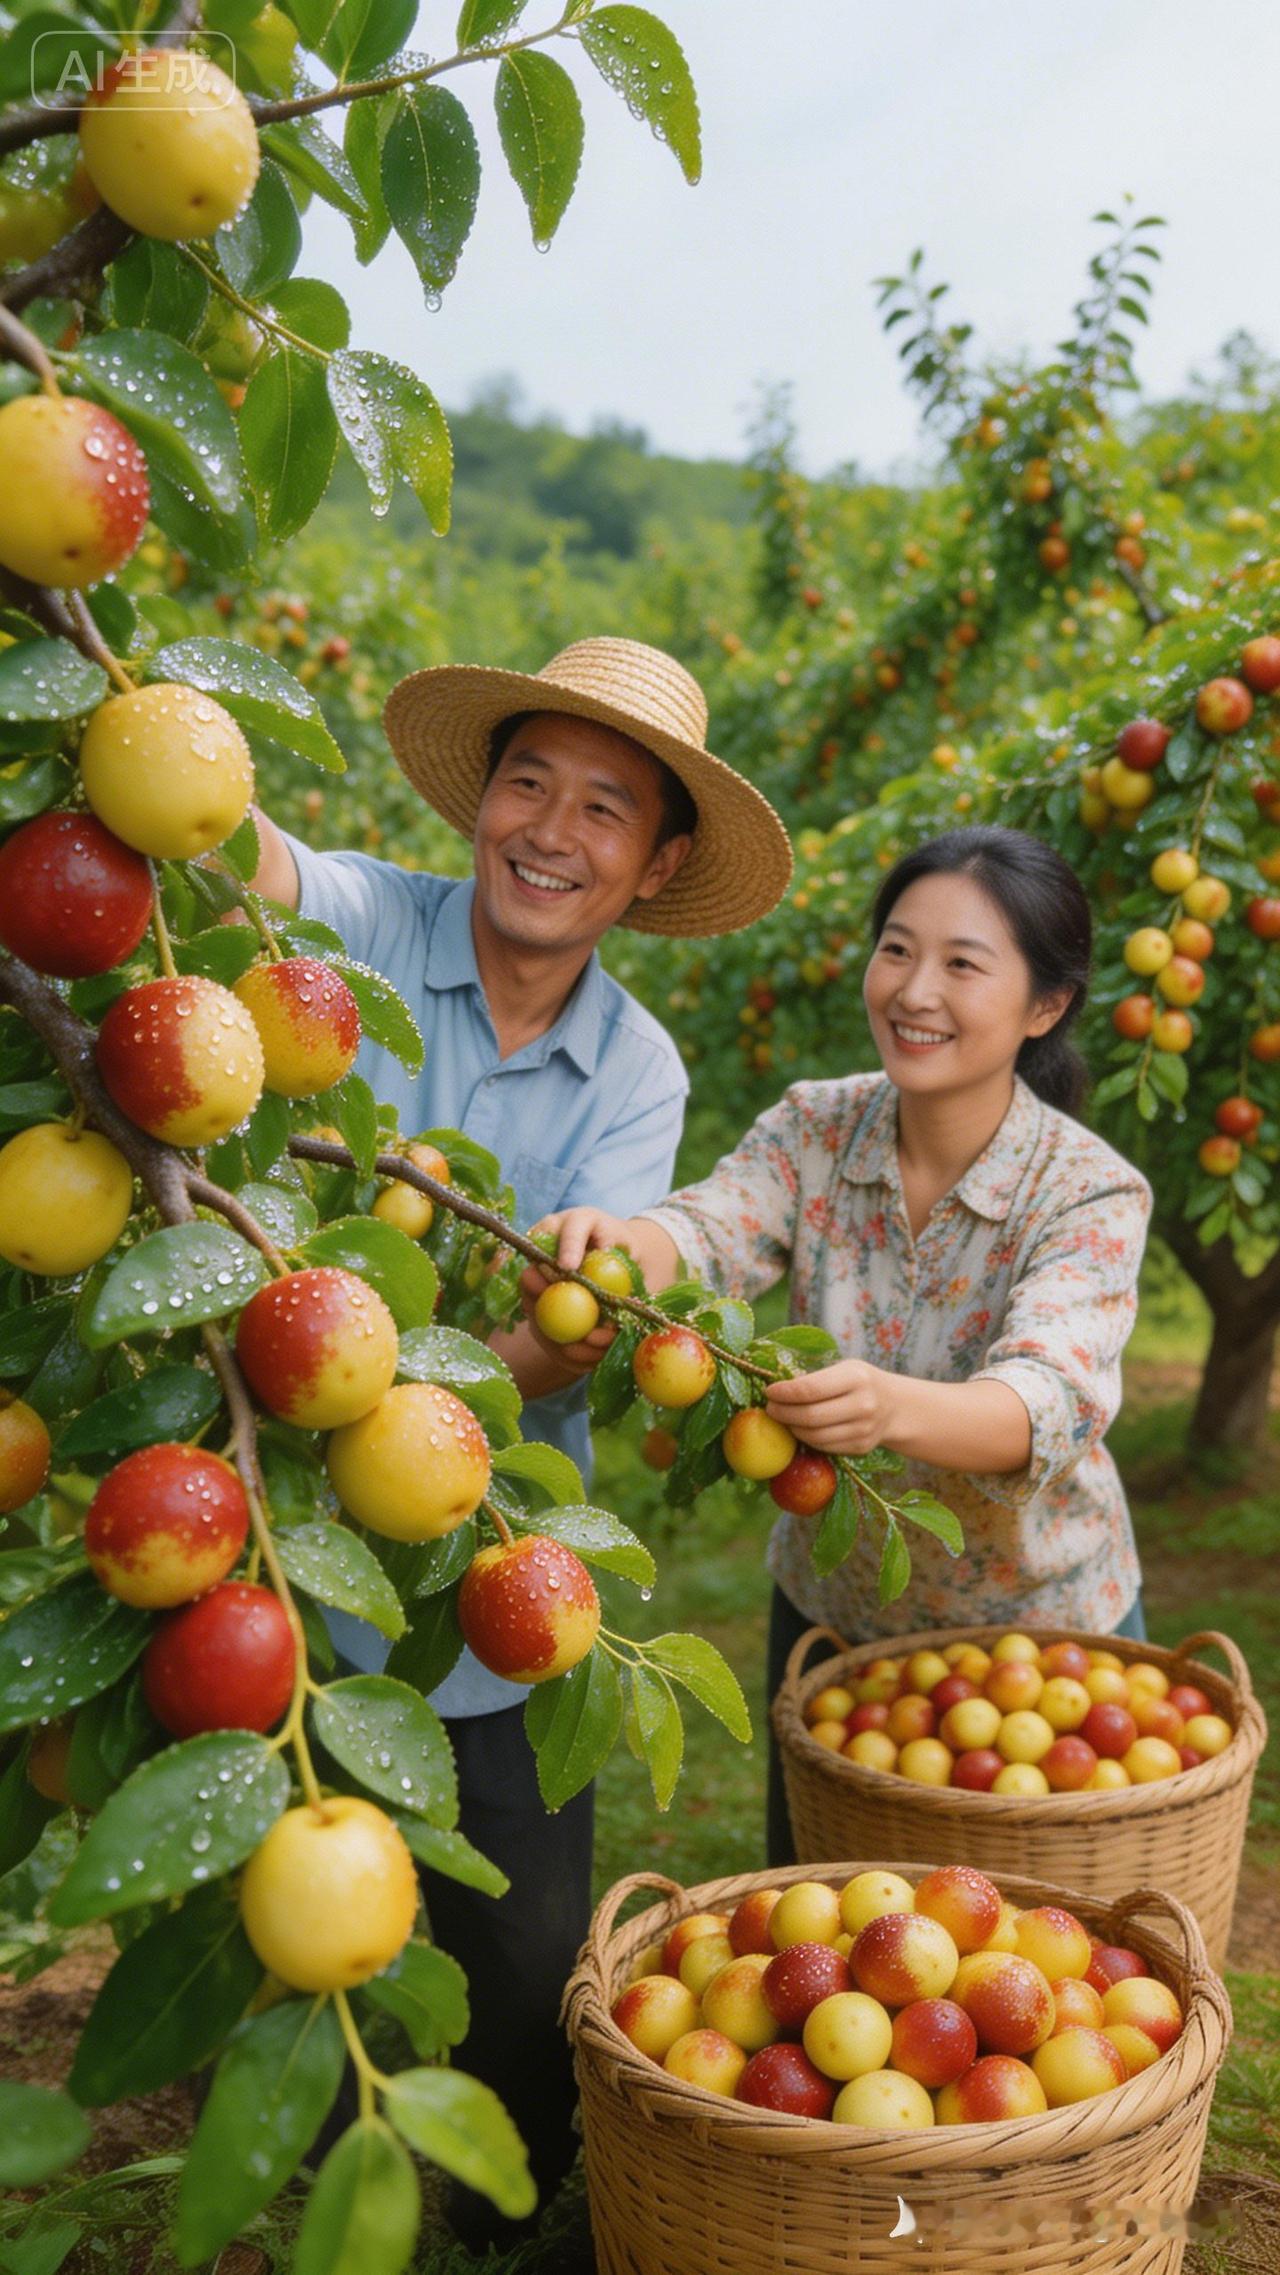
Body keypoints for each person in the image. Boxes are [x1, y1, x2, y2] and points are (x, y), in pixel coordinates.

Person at [246, 636, 792, 2245]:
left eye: (604, 807)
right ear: (478, 799)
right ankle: (355, 2175)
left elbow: (568, 1328)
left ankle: (534, 2207)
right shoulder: (361, 926)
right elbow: (243, 853)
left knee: (530, 1957)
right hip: (293, 1564)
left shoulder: (640, 1066)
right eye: (527, 782)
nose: (551, 829)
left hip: (498, 1584)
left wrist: (344, 1369)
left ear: (655, 864)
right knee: (328, 1924)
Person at [523, 826, 1153, 1867]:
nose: (913, 989)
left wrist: (886, 1407)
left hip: (1035, 1642)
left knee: (1024, 1963)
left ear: (1044, 1005)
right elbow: (710, 1228)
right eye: (896, 949)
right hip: (835, 1612)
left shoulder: (1084, 1189)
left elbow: (1051, 1398)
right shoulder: (816, 1129)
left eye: (961, 964)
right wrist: (617, 1243)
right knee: (826, 1912)